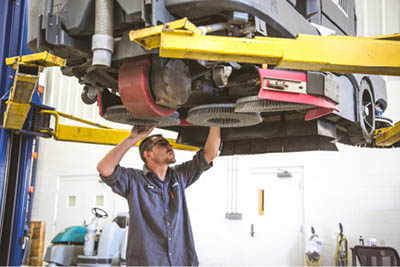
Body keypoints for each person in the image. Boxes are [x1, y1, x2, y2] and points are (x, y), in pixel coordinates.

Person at [97, 125, 221, 266]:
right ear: (147, 154)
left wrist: (213, 119)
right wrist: (133, 138)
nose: (170, 147)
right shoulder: (134, 181)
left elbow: (210, 153)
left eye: (169, 143)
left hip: (181, 262)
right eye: (163, 144)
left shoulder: (179, 176)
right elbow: (104, 168)